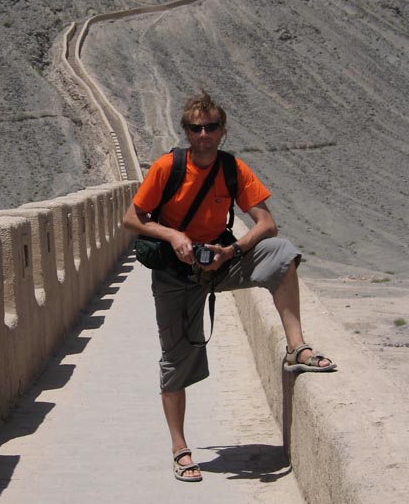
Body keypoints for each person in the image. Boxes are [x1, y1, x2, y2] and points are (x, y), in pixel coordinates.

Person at [123, 92, 336, 483]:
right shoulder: (168, 167)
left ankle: (297, 347)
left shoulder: (232, 169)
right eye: (195, 128)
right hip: (176, 275)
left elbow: (266, 223)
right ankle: (180, 449)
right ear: (185, 131)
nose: (203, 135)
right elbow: (132, 218)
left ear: (223, 131)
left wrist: (231, 250)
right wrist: (173, 235)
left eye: (211, 127)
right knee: (175, 362)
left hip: (220, 263)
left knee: (282, 254)